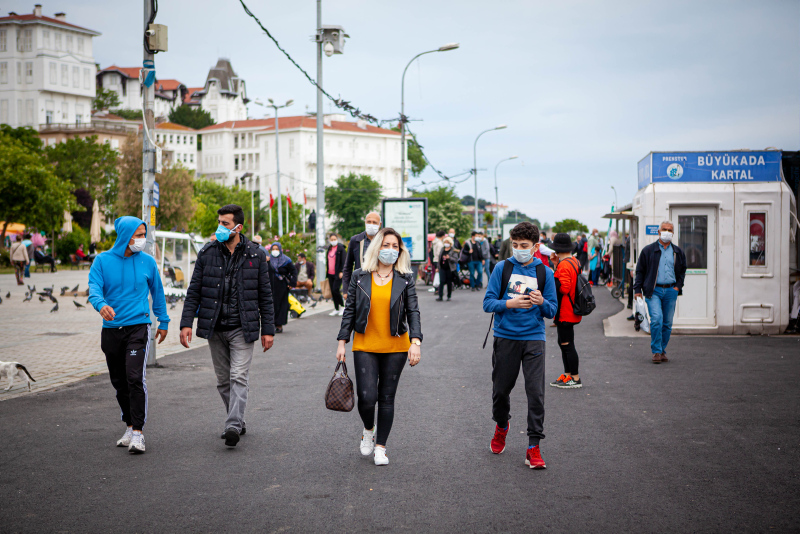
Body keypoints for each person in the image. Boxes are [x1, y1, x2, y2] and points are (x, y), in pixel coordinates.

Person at [180, 204, 275, 447]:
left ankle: (232, 424)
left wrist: (268, 330)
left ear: (238, 227)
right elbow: (194, 291)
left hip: (243, 328)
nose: (220, 227)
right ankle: (238, 419)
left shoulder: (256, 254)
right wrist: (186, 323)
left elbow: (265, 295)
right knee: (223, 380)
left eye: (225, 223)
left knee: (238, 376)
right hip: (215, 327)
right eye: (219, 222)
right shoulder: (208, 252)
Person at [336, 228, 422, 466]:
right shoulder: (359, 276)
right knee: (366, 397)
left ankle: (381, 447)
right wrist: (342, 341)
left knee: (386, 397)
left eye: (395, 246)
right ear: (377, 248)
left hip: (396, 345)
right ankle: (368, 428)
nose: (391, 250)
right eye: (386, 245)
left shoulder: (405, 277)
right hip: (365, 343)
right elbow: (350, 311)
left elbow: (413, 311)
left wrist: (415, 342)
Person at [88, 216, 169, 454]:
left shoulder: (147, 262)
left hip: (138, 326)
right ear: (125, 235)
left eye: (144, 234)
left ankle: (138, 433)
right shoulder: (102, 261)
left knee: (135, 377)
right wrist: (101, 304)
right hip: (112, 329)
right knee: (119, 381)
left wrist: (163, 321)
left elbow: (158, 292)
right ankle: (130, 425)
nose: (142, 239)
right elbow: (94, 288)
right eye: (139, 234)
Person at [483, 222, 558, 470]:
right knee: (501, 391)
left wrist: (541, 302)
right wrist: (509, 304)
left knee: (535, 393)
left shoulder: (545, 272)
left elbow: (552, 311)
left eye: (524, 246)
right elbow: (488, 303)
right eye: (514, 245)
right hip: (505, 337)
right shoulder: (501, 268)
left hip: (534, 338)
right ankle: (501, 425)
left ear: (536, 247)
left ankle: (533, 446)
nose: (518, 250)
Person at [633, 220, 686, 364]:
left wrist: (677, 287)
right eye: (664, 229)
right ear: (658, 231)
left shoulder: (678, 252)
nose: (667, 232)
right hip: (653, 291)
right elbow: (640, 271)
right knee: (656, 320)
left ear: (673, 233)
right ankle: (656, 351)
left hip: (671, 291)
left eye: (670, 230)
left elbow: (682, 271)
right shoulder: (648, 250)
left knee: (667, 323)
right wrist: (637, 290)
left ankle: (662, 350)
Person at [548, 233, 583, 389]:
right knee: (564, 343)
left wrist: (556, 272)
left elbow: (564, 288)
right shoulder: (574, 261)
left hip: (565, 310)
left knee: (567, 344)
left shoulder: (564, 265)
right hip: (571, 308)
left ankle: (574, 377)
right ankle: (568, 374)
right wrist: (557, 265)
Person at [342, 212, 382, 293]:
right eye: (369, 222)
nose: (371, 224)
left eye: (374, 222)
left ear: (380, 224)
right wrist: (346, 290)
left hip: (380, 284)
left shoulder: (384, 241)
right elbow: (348, 266)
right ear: (365, 223)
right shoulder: (355, 240)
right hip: (360, 285)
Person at [269, 242, 296, 333]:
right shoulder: (268, 260)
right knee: (271, 305)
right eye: (273, 249)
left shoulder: (286, 260)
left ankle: (279, 325)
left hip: (282, 286)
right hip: (270, 286)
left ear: (280, 250)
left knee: (281, 305)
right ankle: (271, 324)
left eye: (277, 249)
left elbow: (293, 272)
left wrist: (292, 283)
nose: (275, 251)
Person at [326, 233, 346, 316]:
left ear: (337, 239)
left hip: (338, 273)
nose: (333, 241)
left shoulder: (341, 249)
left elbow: (344, 261)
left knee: (336, 289)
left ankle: (342, 306)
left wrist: (342, 271)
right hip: (330, 273)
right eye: (332, 240)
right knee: (332, 291)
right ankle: (336, 308)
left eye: (334, 239)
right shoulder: (329, 249)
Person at [437, 236, 458, 301]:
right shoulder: (442, 249)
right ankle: (440, 296)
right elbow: (439, 258)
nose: (446, 243)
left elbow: (456, 259)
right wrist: (437, 267)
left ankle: (449, 296)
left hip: (450, 268)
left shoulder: (453, 250)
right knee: (442, 281)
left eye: (447, 242)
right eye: (445, 242)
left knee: (449, 282)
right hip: (442, 267)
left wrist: (449, 258)